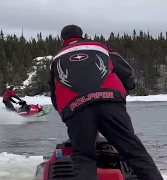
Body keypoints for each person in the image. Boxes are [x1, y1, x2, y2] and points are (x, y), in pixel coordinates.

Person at [48, 24, 164, 180]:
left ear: (63, 39)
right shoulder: (99, 48)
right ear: (82, 35)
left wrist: (67, 115)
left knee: (83, 156)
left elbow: (54, 94)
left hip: (76, 107)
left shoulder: (56, 59)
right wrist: (125, 90)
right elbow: (126, 72)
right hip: (110, 102)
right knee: (134, 151)